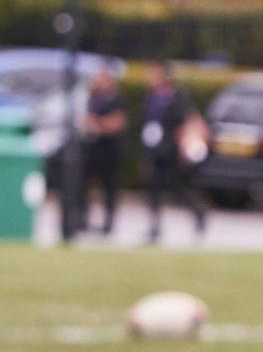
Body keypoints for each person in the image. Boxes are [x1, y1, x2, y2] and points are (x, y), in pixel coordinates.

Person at [134, 62, 202, 244]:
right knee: (153, 188)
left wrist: (184, 148)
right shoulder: (150, 98)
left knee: (178, 189)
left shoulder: (177, 96)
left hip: (172, 150)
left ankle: (198, 215)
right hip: (155, 150)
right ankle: (155, 227)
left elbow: (187, 122)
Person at [76, 63, 127, 240]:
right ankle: (83, 220)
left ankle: (108, 223)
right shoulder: (93, 97)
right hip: (93, 148)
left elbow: (117, 124)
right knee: (84, 184)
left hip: (109, 150)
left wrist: (98, 124)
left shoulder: (117, 98)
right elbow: (86, 121)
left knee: (109, 188)